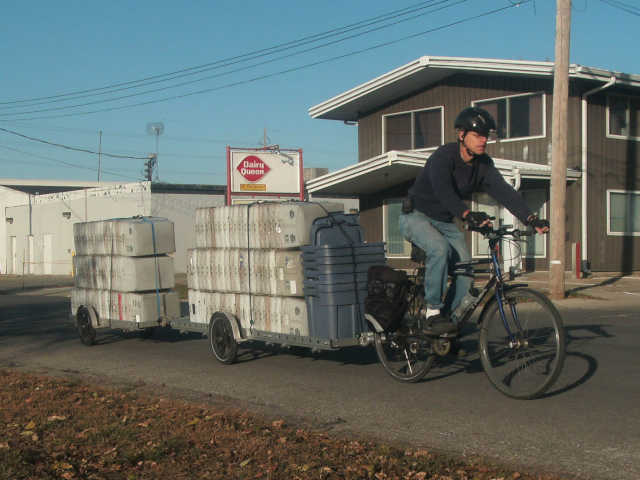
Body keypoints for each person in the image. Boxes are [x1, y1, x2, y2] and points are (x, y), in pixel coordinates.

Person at [399, 106, 549, 334]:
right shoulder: (444, 156)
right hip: (416, 216)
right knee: (439, 250)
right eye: (477, 135)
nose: (483, 141)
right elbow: (443, 191)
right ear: (461, 135)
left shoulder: (483, 165)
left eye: (486, 136)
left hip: (445, 220)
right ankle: (432, 312)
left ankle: (446, 324)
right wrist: (468, 214)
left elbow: (504, 192)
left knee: (465, 268)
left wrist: (531, 218)